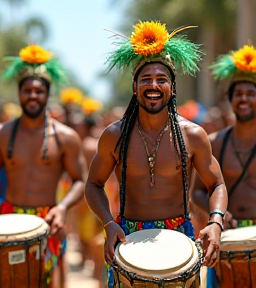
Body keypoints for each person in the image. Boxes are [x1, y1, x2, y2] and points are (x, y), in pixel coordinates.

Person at [84, 20, 228, 287]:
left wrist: (215, 223)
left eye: (161, 79)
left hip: (179, 239)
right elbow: (93, 185)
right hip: (127, 237)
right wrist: (107, 223)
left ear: (172, 88)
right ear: (134, 87)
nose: (153, 85)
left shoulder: (193, 135)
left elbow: (216, 183)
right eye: (145, 79)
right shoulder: (114, 136)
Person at [0, 44, 87, 288]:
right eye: (27, 90)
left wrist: (62, 207)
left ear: (47, 94)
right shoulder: (1, 134)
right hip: (7, 220)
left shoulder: (66, 137)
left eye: (38, 91)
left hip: (49, 220)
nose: (32, 96)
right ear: (19, 93)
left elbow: (81, 180)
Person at [191, 44, 256, 288]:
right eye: (238, 94)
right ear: (231, 100)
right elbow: (197, 192)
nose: (244, 99)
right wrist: (216, 217)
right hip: (227, 237)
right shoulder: (216, 142)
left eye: (251, 93)